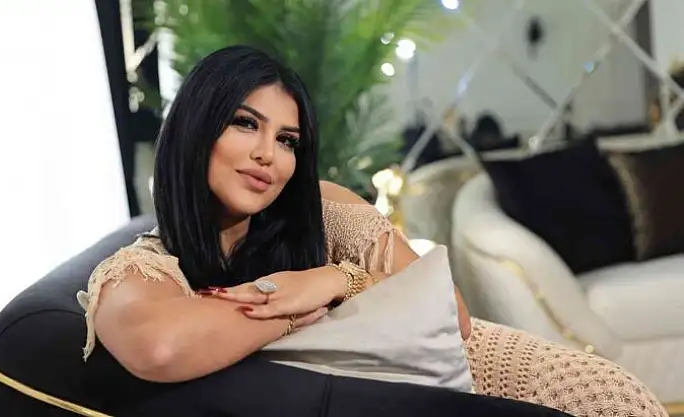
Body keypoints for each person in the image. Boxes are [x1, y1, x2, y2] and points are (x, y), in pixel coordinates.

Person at [79, 45, 571, 416]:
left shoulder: (321, 207)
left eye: (287, 140)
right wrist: (294, 309)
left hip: (511, 373)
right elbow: (160, 349)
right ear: (194, 128)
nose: (268, 155)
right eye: (245, 124)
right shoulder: (141, 269)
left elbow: (453, 313)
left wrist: (336, 279)